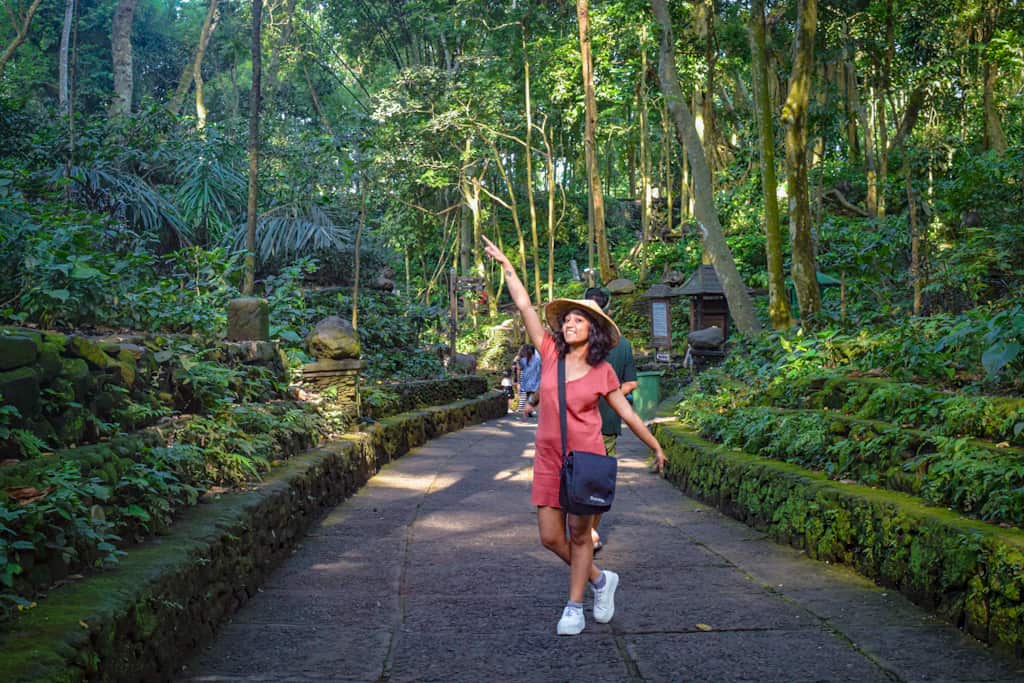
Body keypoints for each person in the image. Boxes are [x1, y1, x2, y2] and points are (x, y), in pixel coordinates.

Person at [483, 234, 667, 637]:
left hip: (586, 460)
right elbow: (525, 307)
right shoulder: (549, 353)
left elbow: (626, 413)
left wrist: (654, 445)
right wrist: (507, 267)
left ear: (593, 329)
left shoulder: (603, 371)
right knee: (551, 537)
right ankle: (602, 580)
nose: (568, 323)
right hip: (548, 457)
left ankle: (574, 605)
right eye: (566, 319)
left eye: (577, 319)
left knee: (580, 535)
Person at [583, 286, 638, 554]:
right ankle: (590, 529)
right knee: (599, 481)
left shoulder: (573, 340)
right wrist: (612, 393)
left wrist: (606, 391)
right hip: (606, 423)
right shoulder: (623, 343)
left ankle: (587, 530)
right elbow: (631, 383)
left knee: (579, 479)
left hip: (587, 424)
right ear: (609, 311)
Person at [514, 344, 541, 417]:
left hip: (527, 381)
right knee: (535, 396)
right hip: (535, 381)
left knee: (528, 395)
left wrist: (518, 380)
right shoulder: (537, 359)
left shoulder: (523, 360)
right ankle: (530, 409)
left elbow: (518, 368)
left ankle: (529, 409)